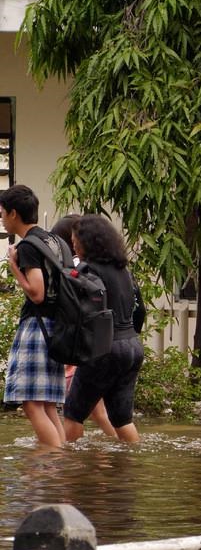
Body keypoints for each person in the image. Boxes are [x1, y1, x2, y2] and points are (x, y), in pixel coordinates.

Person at [62, 215, 144, 443]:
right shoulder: (124, 271)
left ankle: (67, 469)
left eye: (75, 240)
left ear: (87, 241)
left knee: (73, 413)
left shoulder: (89, 271)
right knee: (122, 418)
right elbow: (141, 311)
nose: (73, 245)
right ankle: (130, 466)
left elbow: (75, 307)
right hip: (133, 348)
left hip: (105, 348)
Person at [2, 185, 68, 448]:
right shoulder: (56, 241)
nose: (2, 219)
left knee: (31, 403)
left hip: (36, 328)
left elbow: (37, 292)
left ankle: (53, 459)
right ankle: (59, 466)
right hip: (58, 327)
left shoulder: (28, 246)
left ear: (14, 213)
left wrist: (14, 267)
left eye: (2, 213)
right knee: (48, 404)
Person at [51, 214, 117, 438]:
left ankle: (69, 458)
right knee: (98, 411)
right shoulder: (114, 267)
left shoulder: (80, 271)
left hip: (86, 351)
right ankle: (117, 451)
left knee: (74, 412)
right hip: (103, 344)